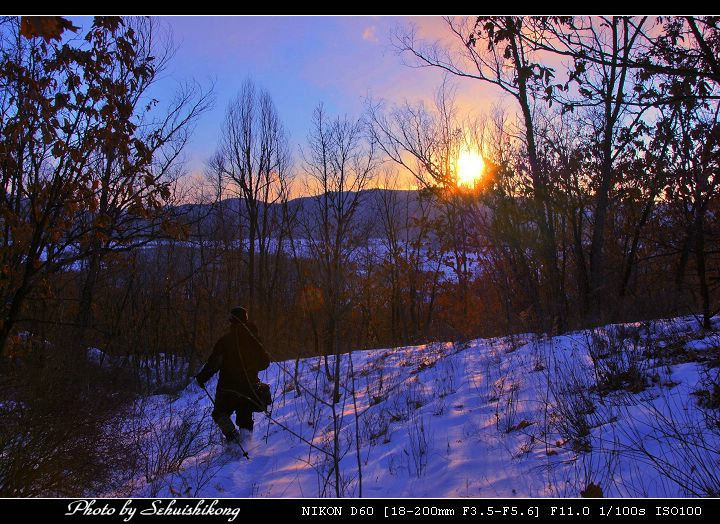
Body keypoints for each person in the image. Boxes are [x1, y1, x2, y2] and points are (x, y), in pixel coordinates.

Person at [195, 306, 270, 443]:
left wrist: (202, 378)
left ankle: (234, 441)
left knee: (219, 414)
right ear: (245, 320)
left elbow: (214, 364)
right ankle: (247, 446)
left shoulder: (225, 341)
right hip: (250, 386)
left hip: (227, 388)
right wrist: (252, 367)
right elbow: (265, 363)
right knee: (245, 416)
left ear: (231, 321)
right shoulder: (255, 340)